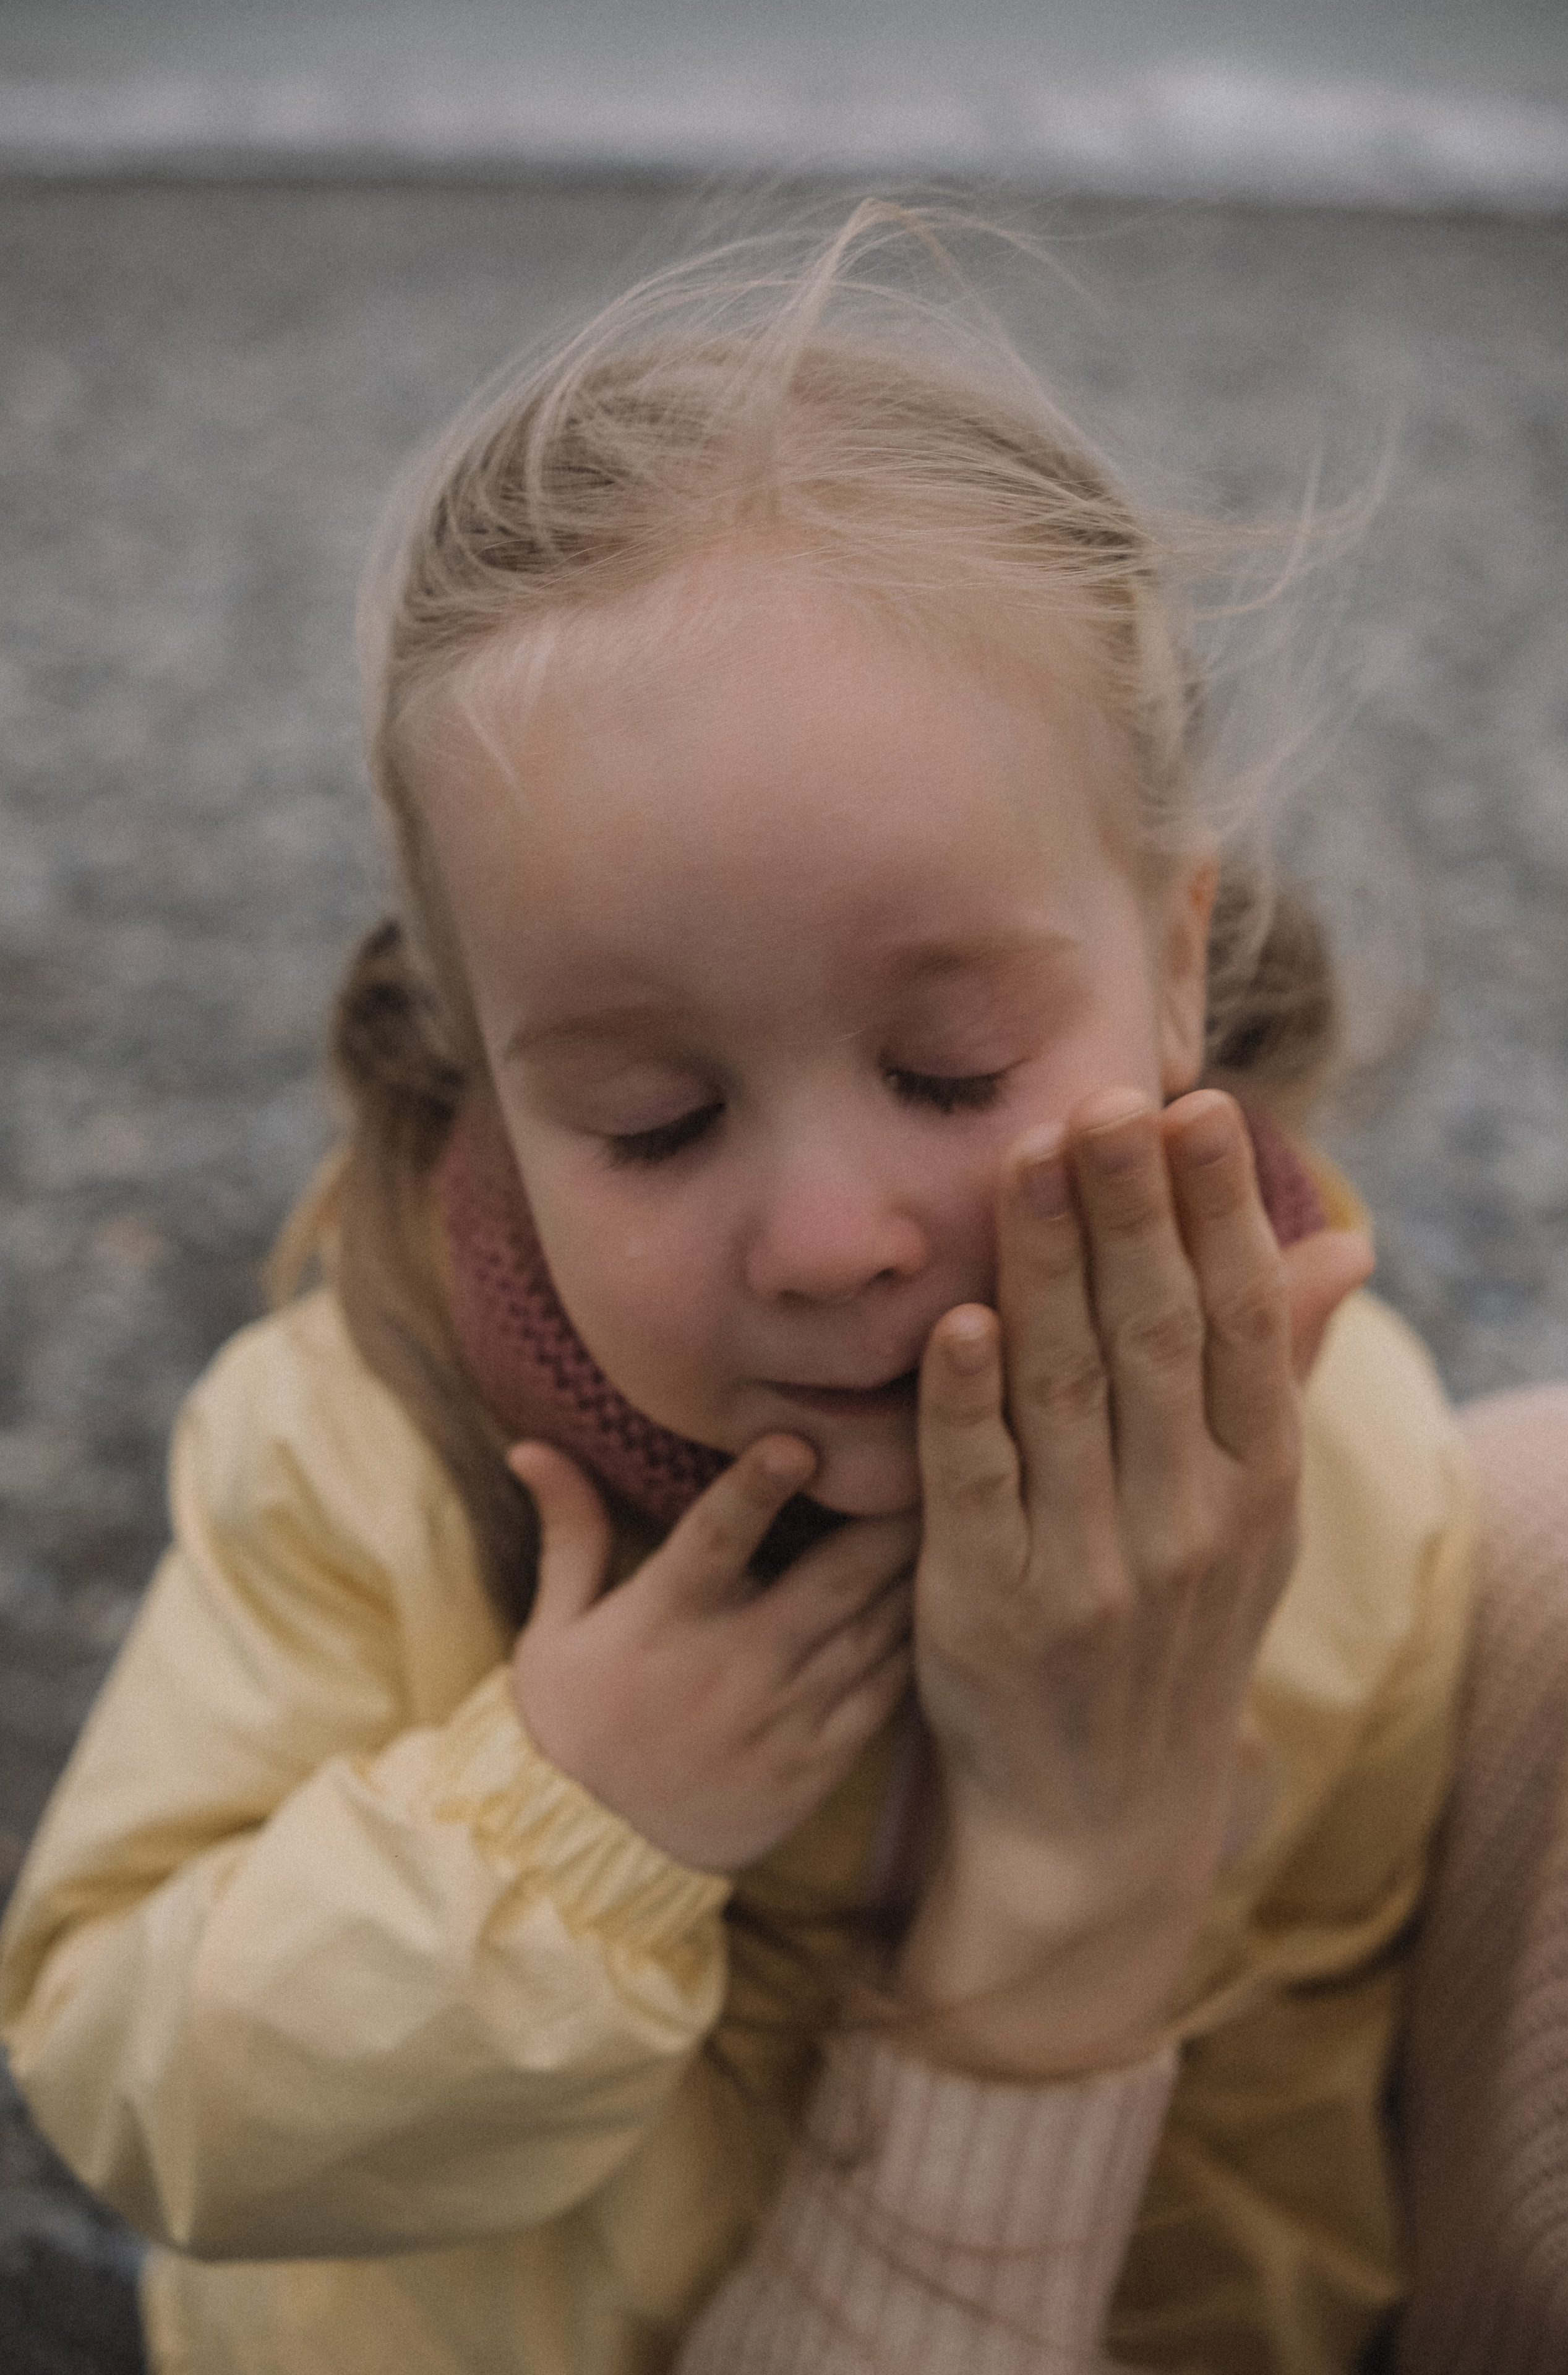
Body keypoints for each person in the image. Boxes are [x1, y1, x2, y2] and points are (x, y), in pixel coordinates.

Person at [0, 205, 1477, 2375]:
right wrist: (564, 1822)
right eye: (654, 1121)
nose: (826, 1237)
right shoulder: (362, 1447)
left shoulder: (1331, 1487)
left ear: (1177, 961)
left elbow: (1281, 2162)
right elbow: (127, 2075)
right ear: (486, 1086)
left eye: (948, 1071)